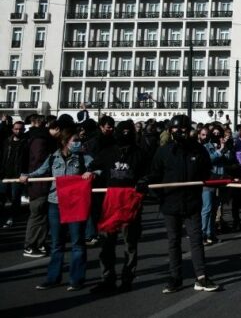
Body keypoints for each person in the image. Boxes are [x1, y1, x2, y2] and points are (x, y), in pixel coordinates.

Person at [144, 115, 221, 294]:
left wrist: (220, 180)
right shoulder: (163, 152)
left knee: (196, 240)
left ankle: (201, 277)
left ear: (189, 131)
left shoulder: (198, 151)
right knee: (173, 241)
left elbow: (206, 174)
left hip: (192, 202)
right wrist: (152, 189)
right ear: (170, 131)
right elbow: (154, 175)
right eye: (176, 130)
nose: (180, 133)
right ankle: (175, 277)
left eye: (184, 130)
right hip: (170, 203)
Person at [21, 116, 92, 291]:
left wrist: (90, 172)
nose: (78, 142)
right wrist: (27, 175)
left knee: (77, 243)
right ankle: (53, 278)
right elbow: (41, 171)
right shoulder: (53, 158)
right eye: (74, 140)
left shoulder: (84, 157)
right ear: (65, 141)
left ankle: (76, 279)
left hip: (75, 203)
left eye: (78, 140)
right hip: (55, 202)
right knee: (56, 243)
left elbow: (97, 167)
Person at [88, 120, 147, 294]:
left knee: (130, 243)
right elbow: (94, 166)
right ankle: (107, 279)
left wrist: (143, 182)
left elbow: (147, 173)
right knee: (107, 244)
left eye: (129, 132)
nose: (126, 135)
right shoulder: (107, 152)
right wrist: (90, 172)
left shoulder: (139, 154)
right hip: (110, 204)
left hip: (131, 204)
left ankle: (127, 278)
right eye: (123, 132)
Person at [23, 114, 58, 258]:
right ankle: (31, 245)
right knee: (37, 213)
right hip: (39, 182)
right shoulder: (40, 140)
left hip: (38, 181)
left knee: (41, 214)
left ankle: (39, 243)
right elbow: (39, 161)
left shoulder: (32, 137)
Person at [1, 120, 27, 228]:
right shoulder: (6, 142)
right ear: (12, 129)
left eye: (21, 129)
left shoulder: (26, 143)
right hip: (4, 174)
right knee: (1, 197)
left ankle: (11, 218)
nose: (18, 131)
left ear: (24, 130)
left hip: (17, 175)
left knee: (15, 197)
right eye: (16, 129)